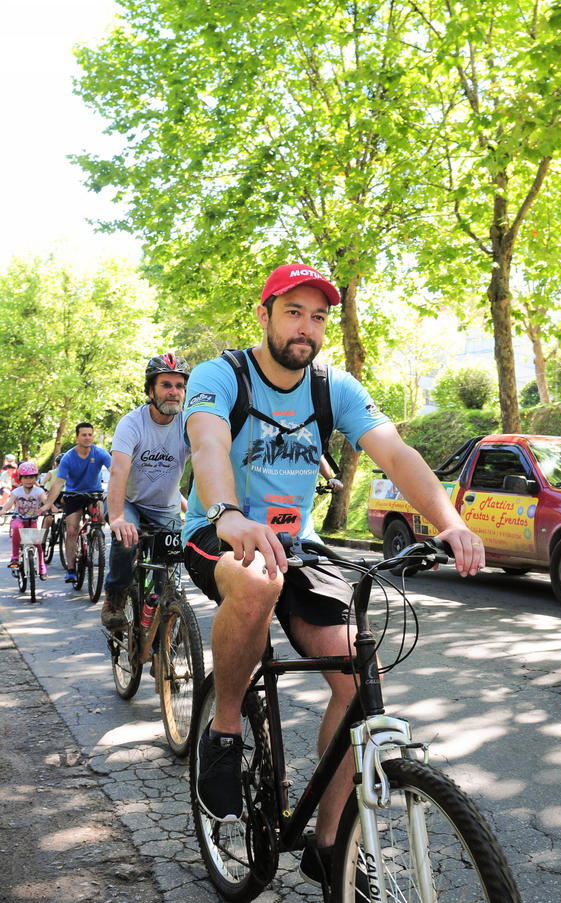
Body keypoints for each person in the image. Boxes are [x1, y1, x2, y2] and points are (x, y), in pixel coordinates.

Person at [182, 262, 485, 890]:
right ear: (263, 314)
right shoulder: (221, 376)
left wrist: (449, 522)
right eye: (293, 312)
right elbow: (208, 444)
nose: (307, 327)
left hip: (299, 544)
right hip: (221, 532)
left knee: (357, 677)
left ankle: (330, 845)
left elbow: (396, 452)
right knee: (259, 582)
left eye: (318, 317)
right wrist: (228, 512)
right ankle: (226, 725)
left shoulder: (333, 387)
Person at [101, 353, 191, 629]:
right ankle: (115, 598)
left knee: (171, 574)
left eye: (179, 386)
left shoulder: (190, 423)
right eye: (166, 385)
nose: (173, 392)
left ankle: (163, 624)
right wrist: (116, 518)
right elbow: (118, 472)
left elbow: (207, 465)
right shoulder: (132, 423)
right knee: (126, 538)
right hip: (129, 502)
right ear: (150, 390)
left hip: (165, 507)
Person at [40, 423, 111, 583]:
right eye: (84, 435)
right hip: (73, 494)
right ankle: (71, 569)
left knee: (101, 516)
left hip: (94, 493)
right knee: (72, 530)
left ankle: (95, 538)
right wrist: (47, 504)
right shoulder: (69, 457)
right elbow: (58, 483)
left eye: (90, 434)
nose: (87, 437)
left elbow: (116, 470)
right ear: (77, 437)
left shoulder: (100, 453)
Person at [0, 461, 48, 579]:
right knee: (16, 527)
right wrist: (3, 510)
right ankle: (15, 557)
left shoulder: (39, 491)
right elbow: (9, 503)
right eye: (25, 477)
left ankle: (42, 566)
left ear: (36, 477)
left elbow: (46, 501)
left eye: (31, 477)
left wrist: (50, 508)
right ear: (20, 478)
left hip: (32, 520)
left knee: (38, 544)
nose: (28, 480)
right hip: (19, 519)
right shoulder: (16, 492)